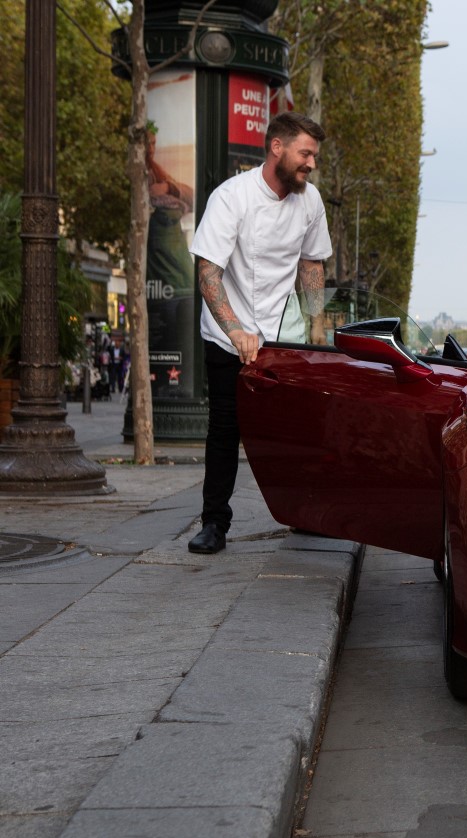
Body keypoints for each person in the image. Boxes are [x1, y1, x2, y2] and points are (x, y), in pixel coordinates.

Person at [187, 112, 331, 555]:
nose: (311, 164)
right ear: (277, 148)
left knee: (294, 429)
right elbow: (208, 269)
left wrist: (316, 327)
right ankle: (214, 523)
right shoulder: (232, 197)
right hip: (227, 333)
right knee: (225, 429)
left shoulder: (310, 201)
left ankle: (303, 515)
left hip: (281, 337)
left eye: (314, 156)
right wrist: (234, 330)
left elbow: (311, 263)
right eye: (305, 154)